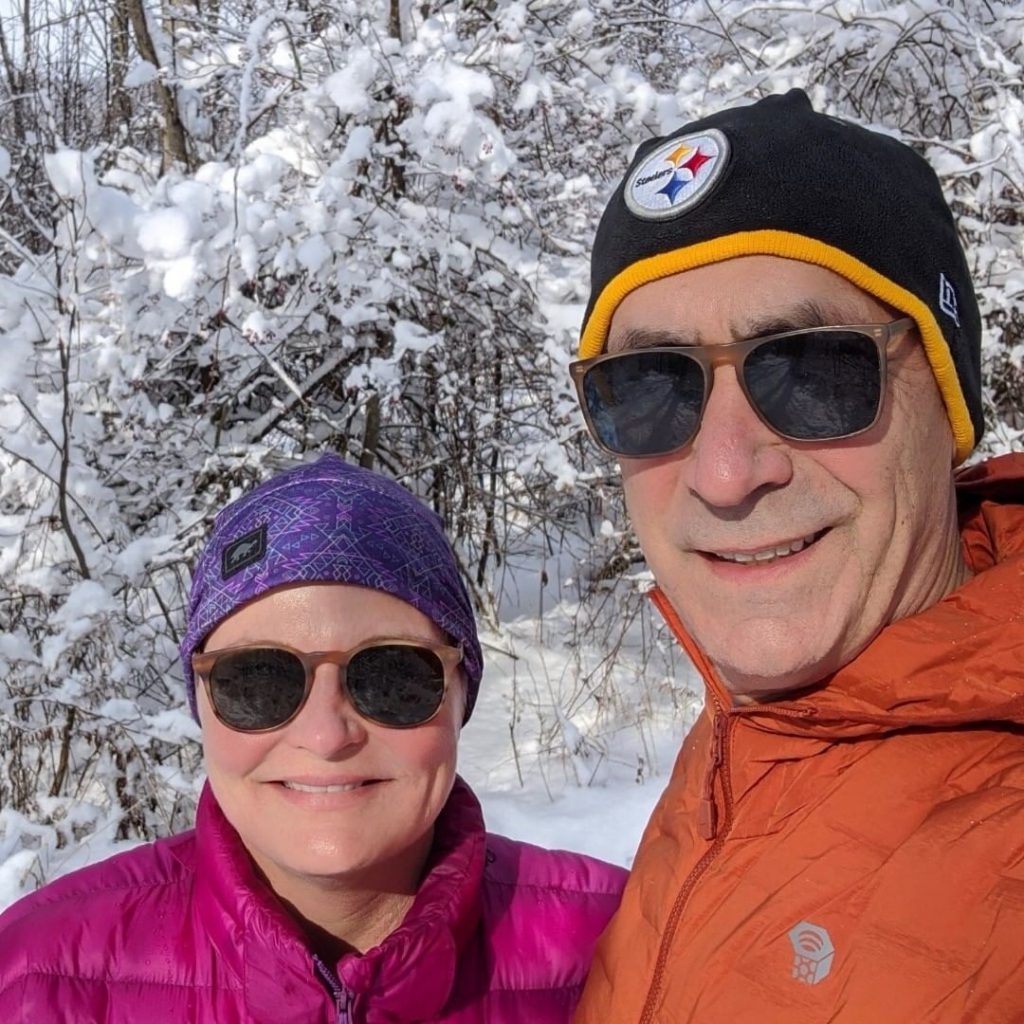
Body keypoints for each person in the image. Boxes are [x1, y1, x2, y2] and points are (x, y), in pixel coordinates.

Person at [568, 90, 1024, 1023]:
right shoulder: (743, 745)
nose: (726, 473)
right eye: (650, 388)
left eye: (813, 370)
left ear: (949, 412)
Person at [0, 454, 626, 1022]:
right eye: (259, 680)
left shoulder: (632, 946)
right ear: (201, 702)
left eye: (391, 674)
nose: (326, 734)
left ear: (461, 690)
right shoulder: (32, 979)